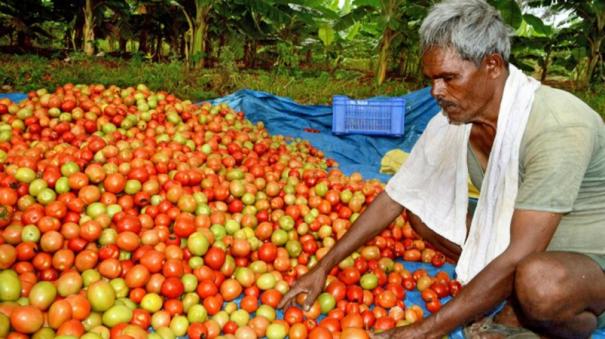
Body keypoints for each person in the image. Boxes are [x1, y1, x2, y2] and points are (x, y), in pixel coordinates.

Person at [277, 0, 605, 338]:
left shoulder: (557, 126)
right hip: (517, 238)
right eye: (432, 79)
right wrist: (322, 268)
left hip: (584, 263)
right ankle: (508, 293)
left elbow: (524, 251)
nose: (436, 92)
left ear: (492, 65)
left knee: (539, 283)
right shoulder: (456, 118)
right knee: (422, 213)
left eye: (449, 78)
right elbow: (396, 197)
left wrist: (426, 329)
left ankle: (552, 316)